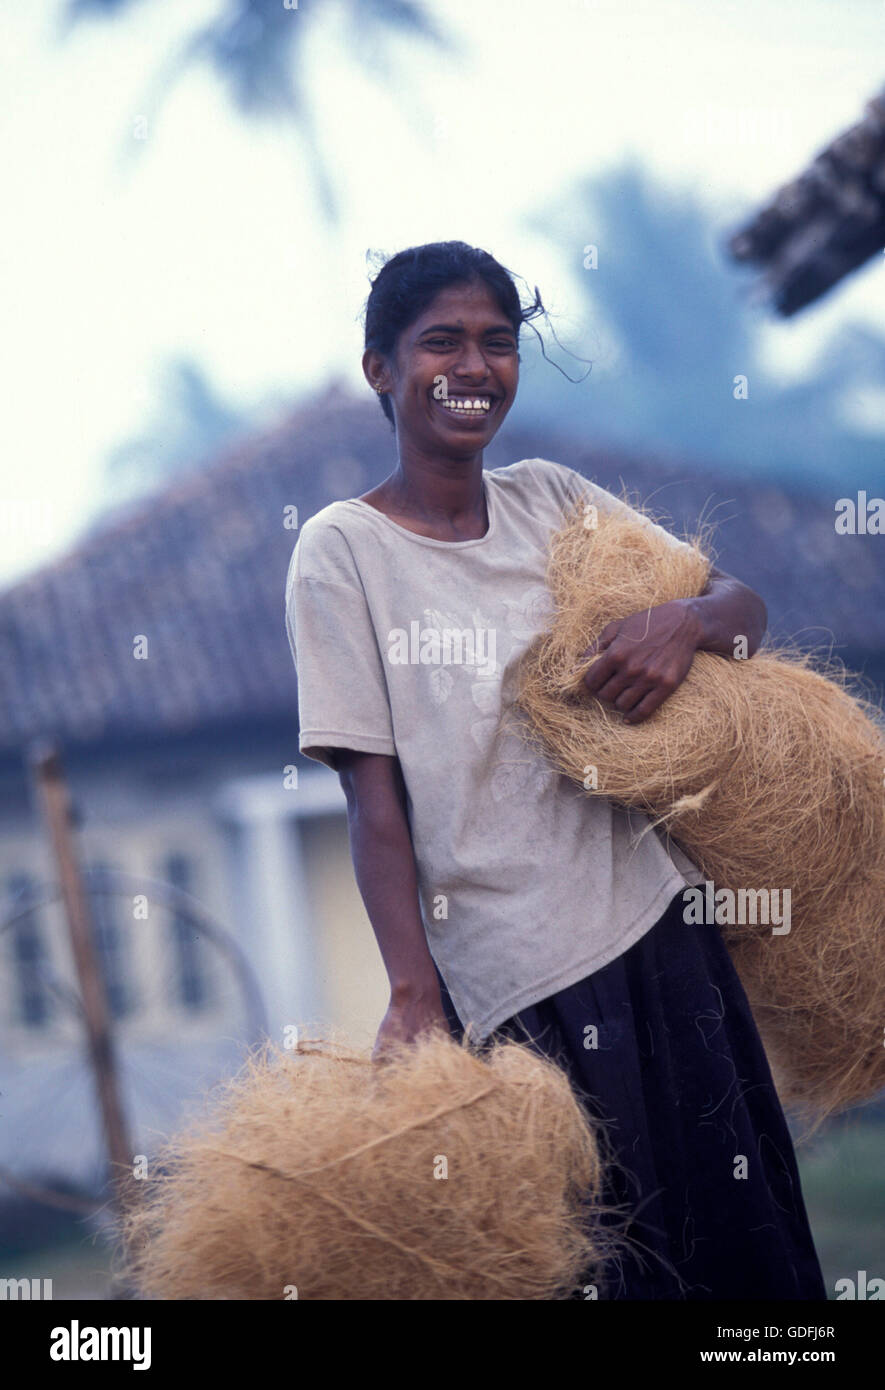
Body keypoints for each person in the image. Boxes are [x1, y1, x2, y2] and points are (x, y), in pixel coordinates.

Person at [285, 240, 827, 1301]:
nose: (474, 366)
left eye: (499, 341)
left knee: (751, 1267)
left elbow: (745, 605)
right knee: (610, 1269)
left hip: (663, 937)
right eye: (441, 340)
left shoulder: (552, 502)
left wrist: (685, 621)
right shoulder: (341, 552)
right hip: (514, 982)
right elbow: (373, 800)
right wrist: (410, 991)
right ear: (379, 370)